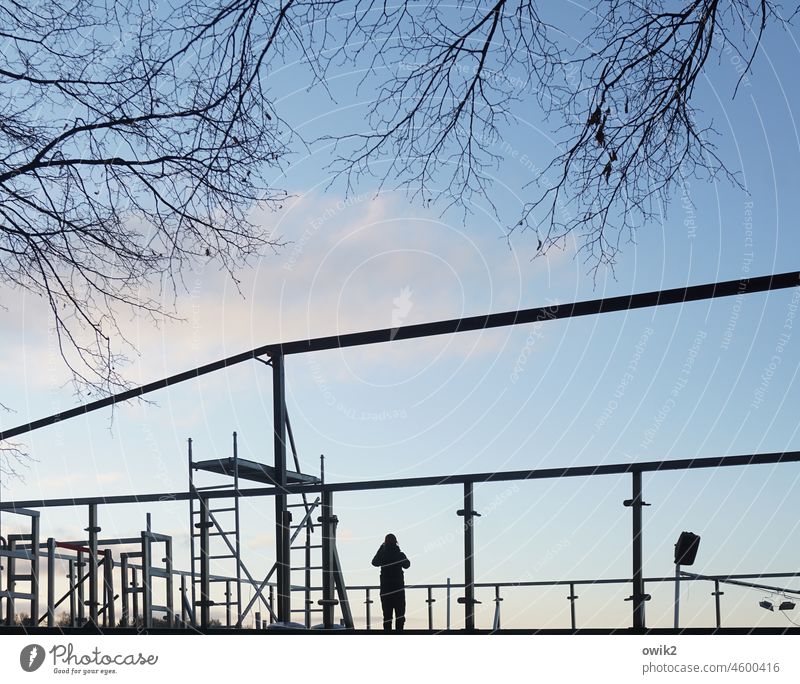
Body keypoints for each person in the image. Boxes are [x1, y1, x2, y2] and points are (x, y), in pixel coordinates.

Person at [371, 533, 411, 631]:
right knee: (400, 616)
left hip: (386, 590)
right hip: (398, 590)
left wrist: (381, 548)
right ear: (396, 542)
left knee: (387, 617)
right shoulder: (399, 554)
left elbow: (374, 562)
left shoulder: (383, 555)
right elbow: (407, 565)